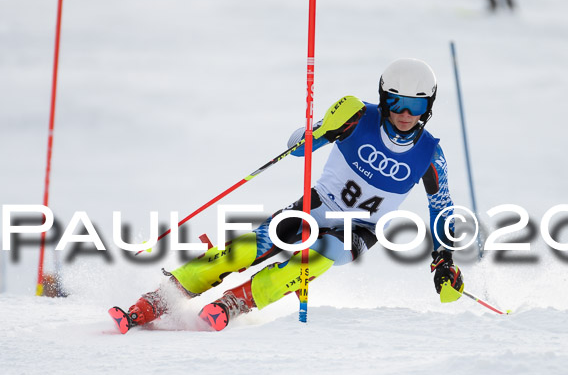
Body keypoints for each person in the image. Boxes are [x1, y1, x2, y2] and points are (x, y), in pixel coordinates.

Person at [109, 59, 464, 334]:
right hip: (318, 204)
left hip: (359, 229)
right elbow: (297, 148)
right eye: (397, 103)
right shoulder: (357, 117)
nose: (404, 114)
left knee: (318, 256)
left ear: (428, 108)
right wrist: (323, 130)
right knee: (248, 248)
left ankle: (236, 303)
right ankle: (158, 299)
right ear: (384, 99)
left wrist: (443, 260)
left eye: (415, 107)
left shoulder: (430, 155)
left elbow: (442, 209)